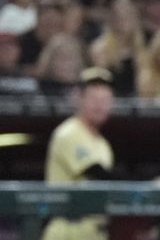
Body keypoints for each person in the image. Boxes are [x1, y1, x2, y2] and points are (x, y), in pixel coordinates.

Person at [42, 68, 115, 240]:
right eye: (93, 99)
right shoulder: (70, 132)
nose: (100, 105)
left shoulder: (103, 143)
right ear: (78, 99)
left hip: (94, 230)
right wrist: (147, 185)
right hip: (68, 229)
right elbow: (97, 174)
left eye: (105, 100)